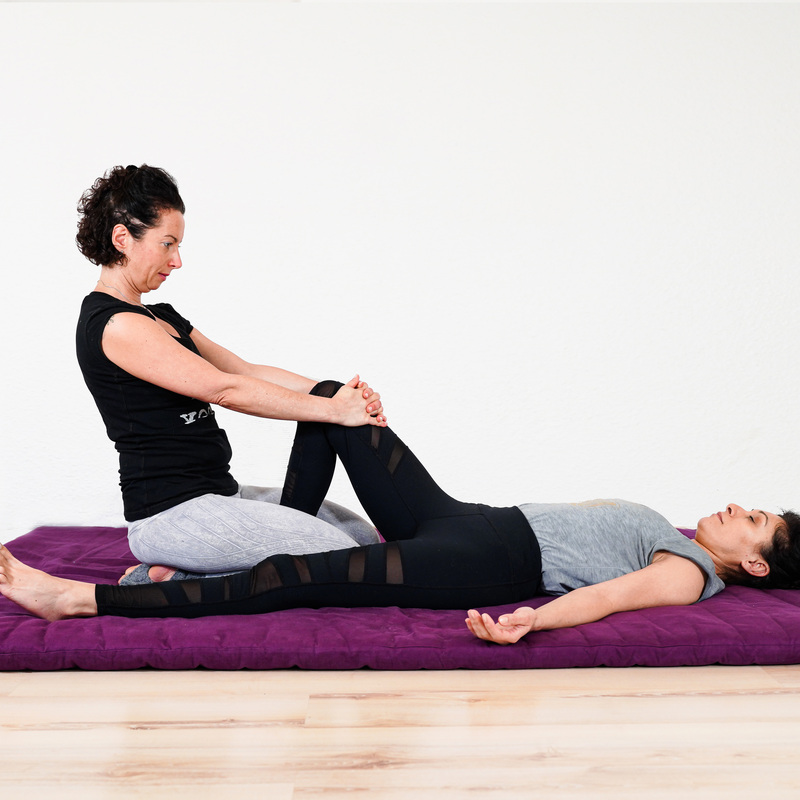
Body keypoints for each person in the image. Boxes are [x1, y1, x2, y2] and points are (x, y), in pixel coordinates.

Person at [2, 387, 799, 645]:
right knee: (332, 405)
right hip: (464, 517)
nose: (738, 507)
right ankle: (272, 537)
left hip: (482, 565)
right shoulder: (675, 536)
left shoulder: (689, 573)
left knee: (293, 578)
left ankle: (82, 599)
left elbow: (606, 599)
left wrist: (531, 621)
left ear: (756, 562)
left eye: (754, 518)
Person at [73, 164, 388, 583]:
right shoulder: (115, 325)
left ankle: (192, 567)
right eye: (167, 244)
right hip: (172, 514)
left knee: (363, 539)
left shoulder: (161, 316)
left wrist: (335, 393)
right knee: (347, 560)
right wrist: (333, 411)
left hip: (222, 494)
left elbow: (243, 369)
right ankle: (168, 580)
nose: (177, 260)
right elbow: (225, 388)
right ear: (122, 239)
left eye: (178, 245)